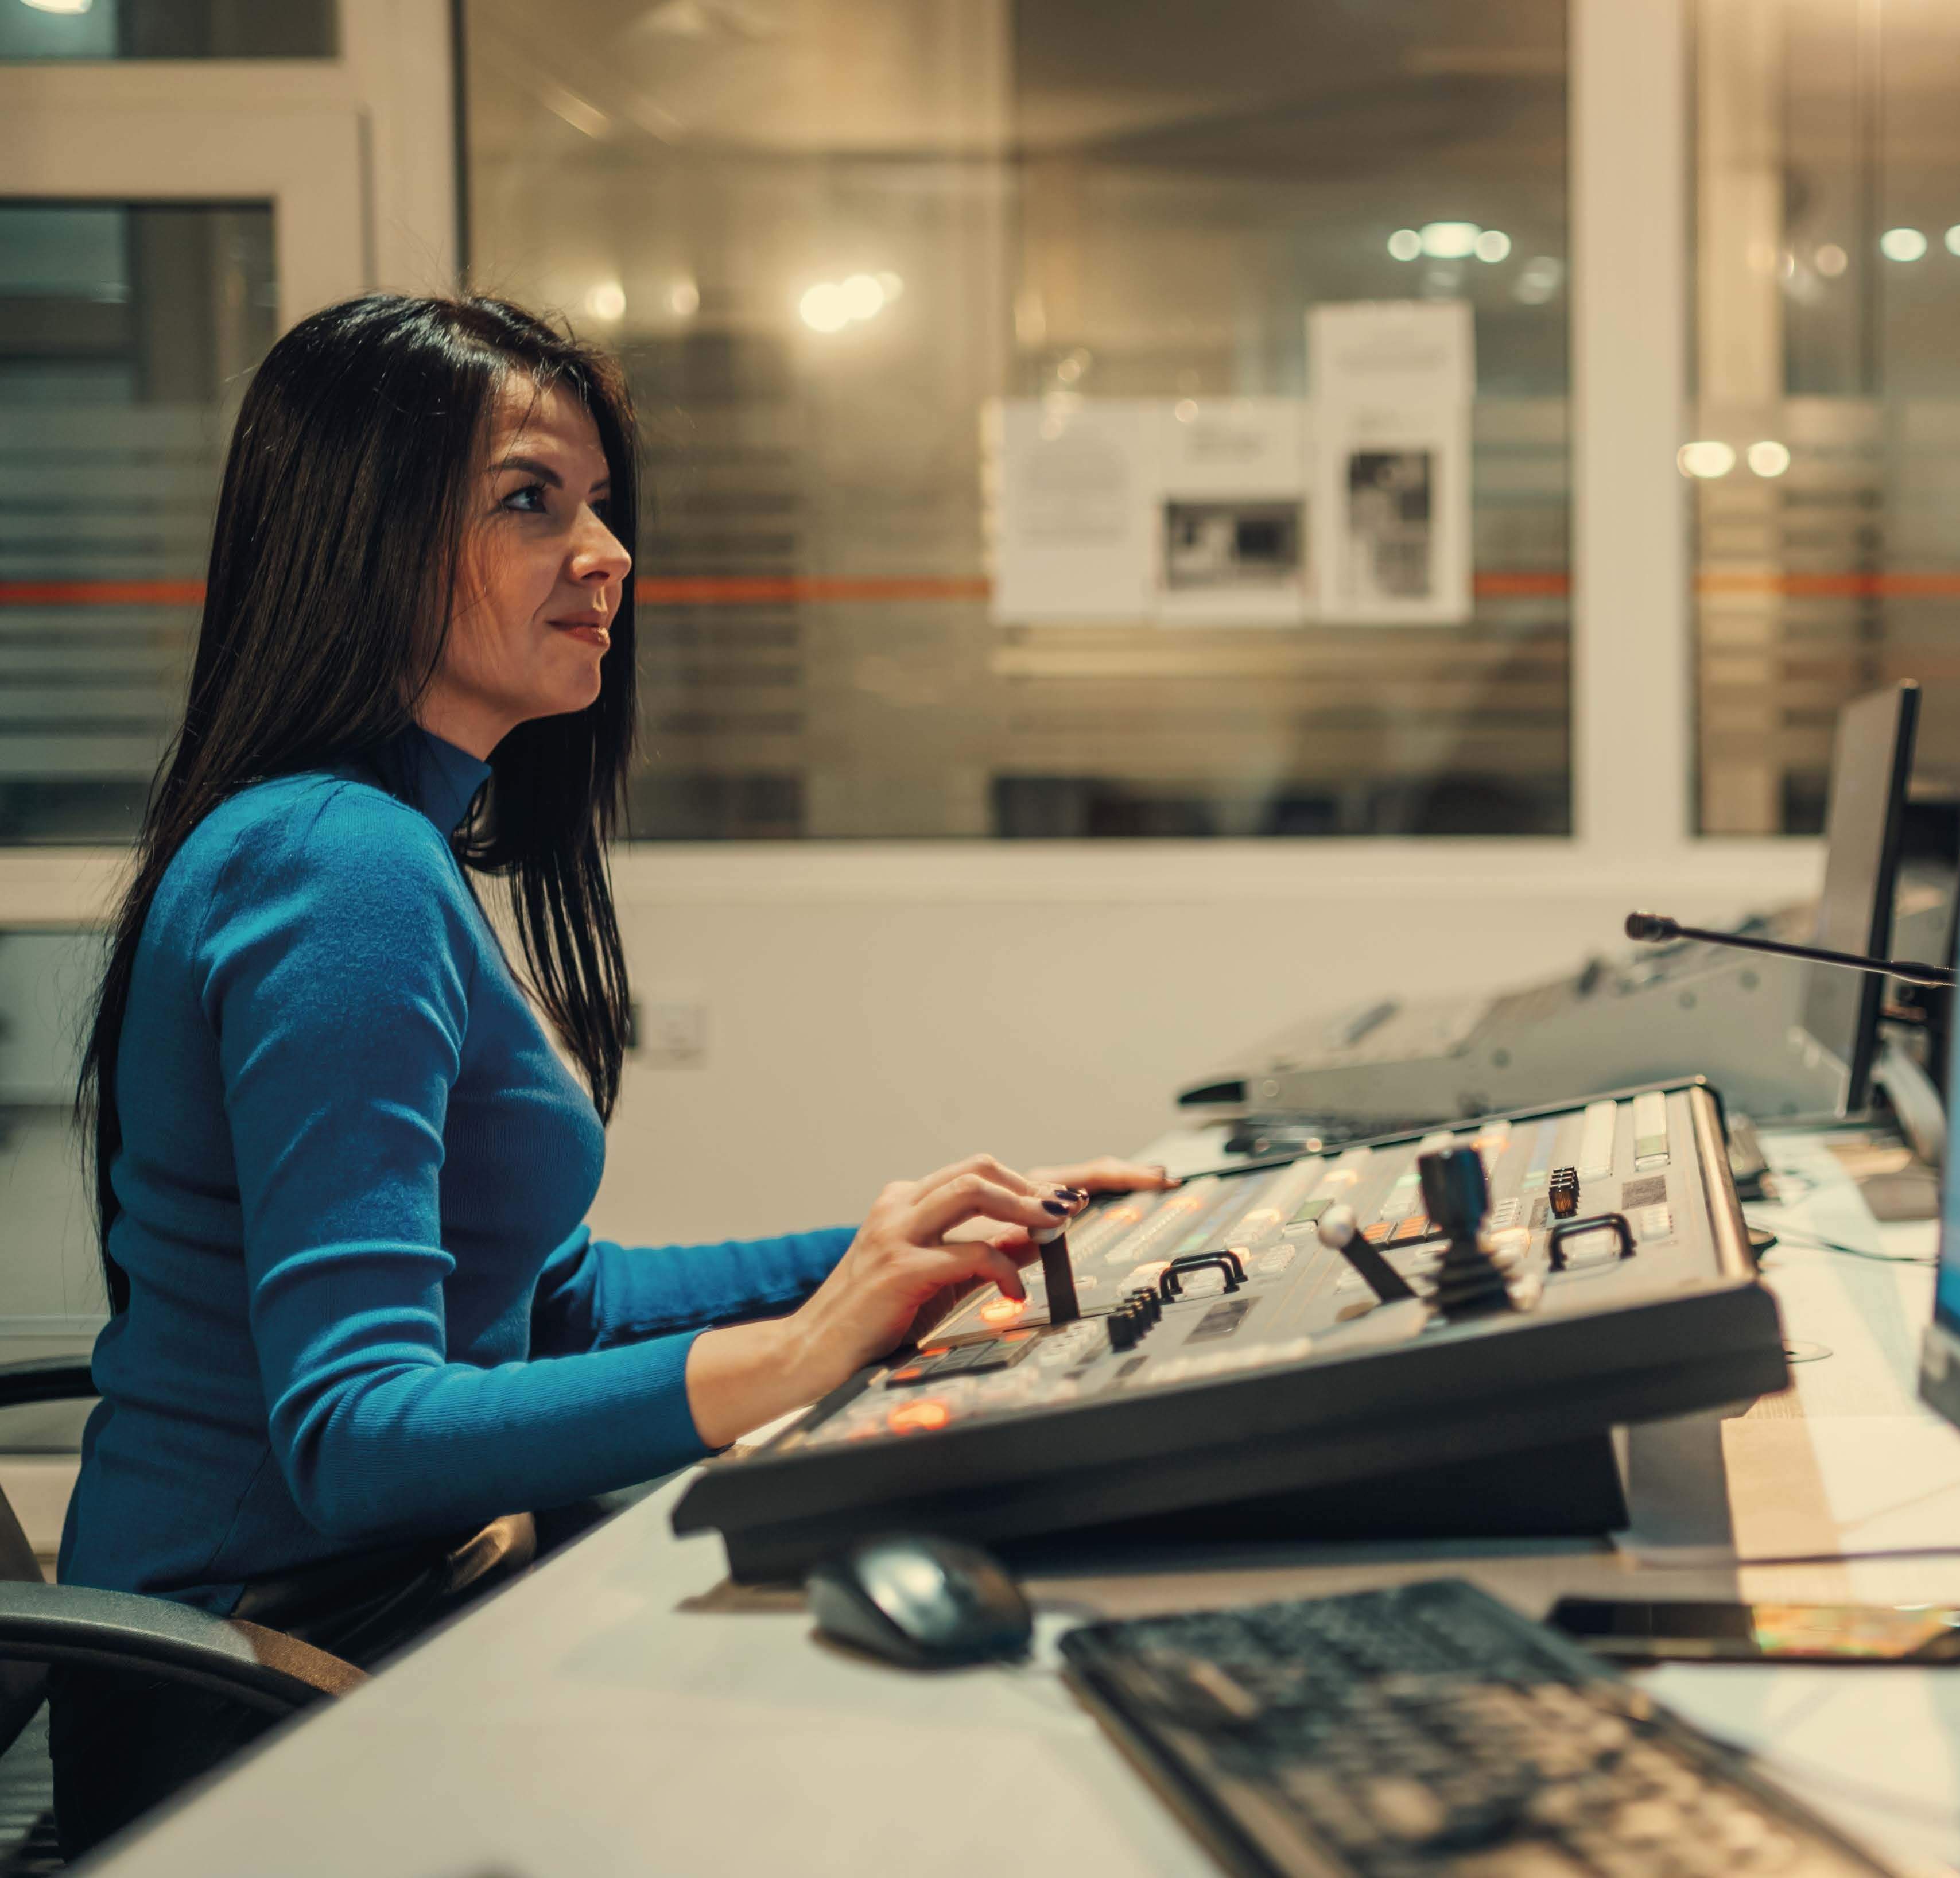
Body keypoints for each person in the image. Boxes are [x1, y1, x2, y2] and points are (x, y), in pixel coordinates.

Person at [54, 293, 1163, 1849]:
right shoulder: (335, 869)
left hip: (350, 1625)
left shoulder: (374, 846)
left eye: (596, 504)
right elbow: (355, 1428)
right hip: (260, 1691)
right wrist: (798, 1357)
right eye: (530, 501)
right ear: (362, 534)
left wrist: (886, 1255)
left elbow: (546, 1301)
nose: (607, 553)